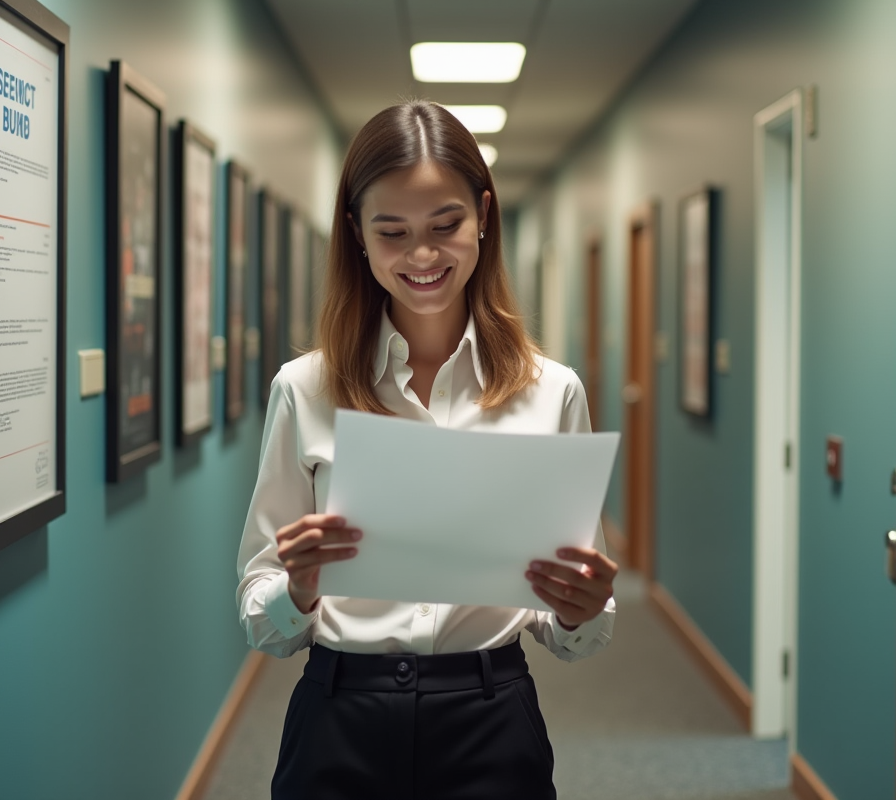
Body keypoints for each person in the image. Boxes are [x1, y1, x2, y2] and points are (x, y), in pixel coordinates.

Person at [236, 100, 617, 800]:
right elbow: (261, 617)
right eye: (393, 232)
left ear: (483, 217)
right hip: (338, 712)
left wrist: (579, 607)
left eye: (446, 226)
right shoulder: (304, 389)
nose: (422, 256)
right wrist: (297, 590)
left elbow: (570, 633)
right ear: (356, 234)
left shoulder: (552, 393)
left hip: (490, 715)